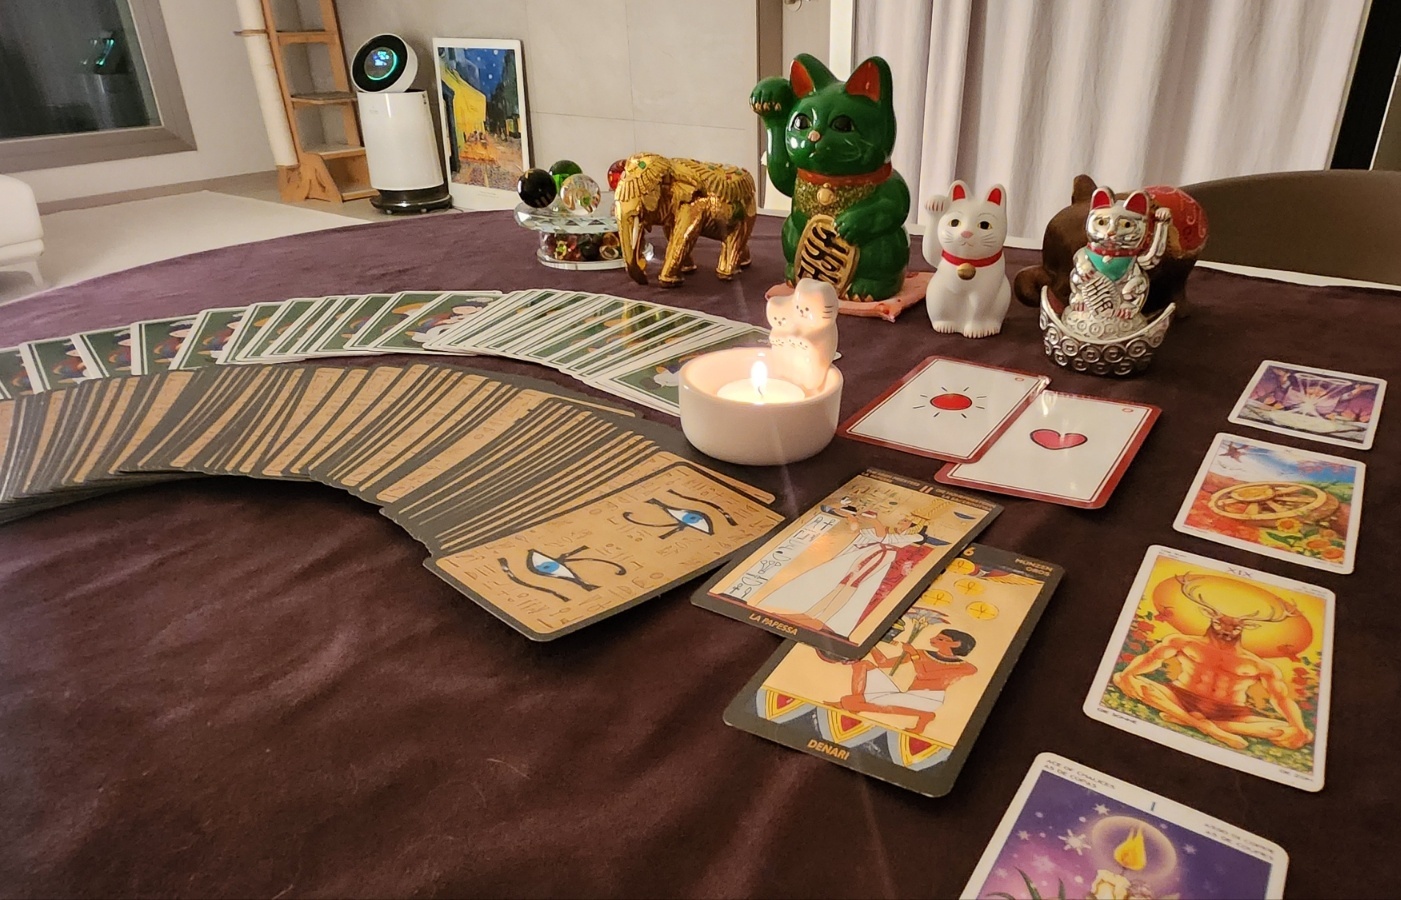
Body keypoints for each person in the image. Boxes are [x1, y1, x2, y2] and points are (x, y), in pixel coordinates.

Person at [837, 629, 978, 733]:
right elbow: (884, 663)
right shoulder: (922, 653)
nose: (933, 639)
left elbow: (924, 675)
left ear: (955, 644)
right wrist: (871, 643)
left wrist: (914, 655)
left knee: (849, 701)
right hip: (907, 696)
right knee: (863, 665)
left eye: (940, 639)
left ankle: (924, 714)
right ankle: (856, 706)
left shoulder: (966, 667)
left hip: (927, 699)